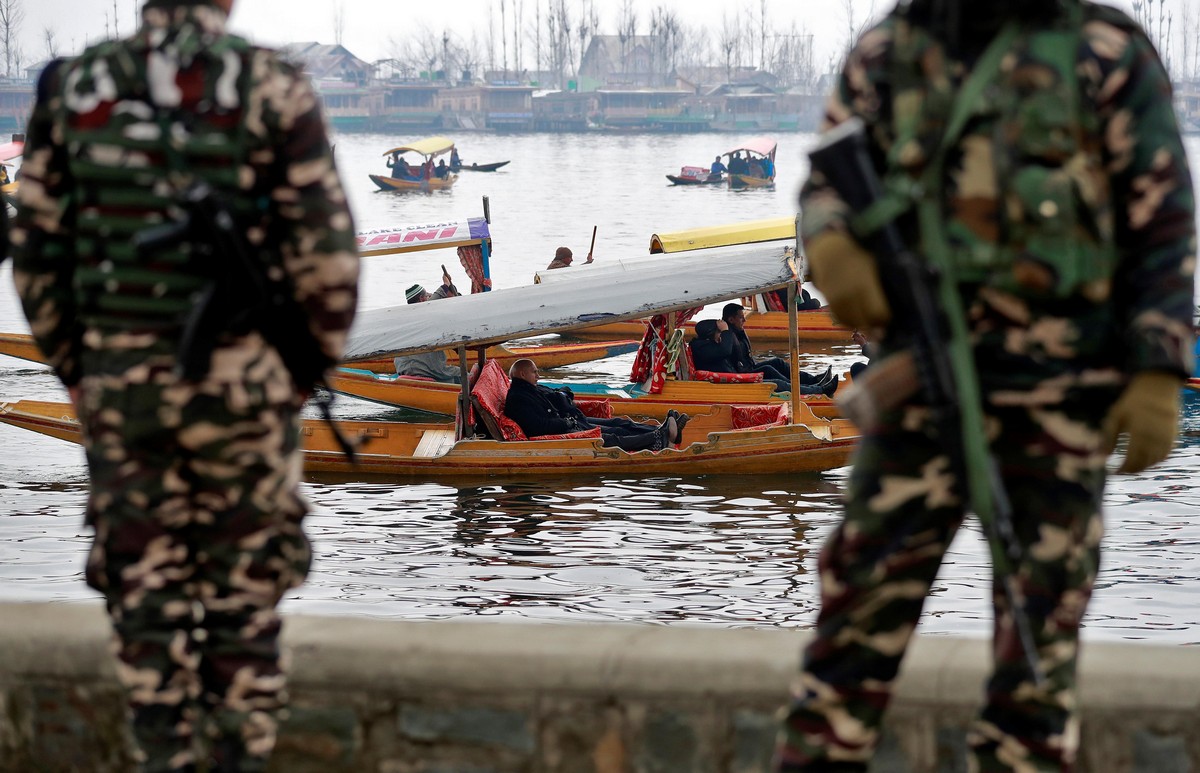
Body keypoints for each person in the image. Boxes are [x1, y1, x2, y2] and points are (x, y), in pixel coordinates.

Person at [775, 1, 1194, 771]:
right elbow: (828, 175)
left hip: (1059, 405)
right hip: (917, 397)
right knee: (850, 633)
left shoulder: (1103, 52)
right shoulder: (890, 51)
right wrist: (831, 240)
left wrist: (1160, 366)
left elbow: (1162, 216)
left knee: (1037, 658)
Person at [9, 0, 361, 770]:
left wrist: (83, 373)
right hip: (246, 396)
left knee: (146, 597)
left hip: (123, 398)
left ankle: (164, 754)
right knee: (243, 602)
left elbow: (36, 258)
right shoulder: (275, 87)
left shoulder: (73, 88)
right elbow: (330, 265)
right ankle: (239, 755)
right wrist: (288, 379)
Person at [504, 359, 685, 452]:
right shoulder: (518, 398)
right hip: (558, 432)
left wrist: (563, 402)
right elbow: (537, 427)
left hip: (568, 421)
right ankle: (657, 437)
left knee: (618, 423)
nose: (538, 375)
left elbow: (557, 394)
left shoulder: (529, 388)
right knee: (611, 437)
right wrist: (565, 423)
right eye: (534, 372)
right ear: (522, 374)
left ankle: (660, 431)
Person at [690, 318, 837, 397]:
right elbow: (725, 351)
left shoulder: (707, 344)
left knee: (775, 367)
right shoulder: (701, 347)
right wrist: (727, 332)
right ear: (710, 334)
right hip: (730, 386)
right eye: (719, 333)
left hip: (735, 378)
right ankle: (819, 391)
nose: (721, 336)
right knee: (777, 383)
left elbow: (735, 352)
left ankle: (813, 385)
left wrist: (730, 333)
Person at [722, 303, 838, 396]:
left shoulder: (737, 332)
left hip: (748, 368)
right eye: (741, 318)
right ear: (731, 320)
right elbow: (732, 357)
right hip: (743, 374)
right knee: (774, 376)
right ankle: (817, 389)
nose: (744, 320)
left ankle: (814, 380)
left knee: (777, 362)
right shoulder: (727, 336)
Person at [394, 268, 463, 383]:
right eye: (427, 295)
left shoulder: (411, 316)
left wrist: (450, 288)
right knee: (463, 374)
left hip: (403, 367)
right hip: (420, 368)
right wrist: (445, 284)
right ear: (421, 299)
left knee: (453, 375)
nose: (429, 297)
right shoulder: (421, 312)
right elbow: (433, 301)